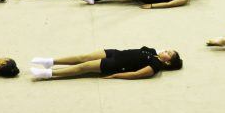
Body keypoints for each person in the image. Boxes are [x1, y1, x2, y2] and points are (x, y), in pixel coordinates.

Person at [30, 43, 181, 77]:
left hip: (116, 64)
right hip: (114, 53)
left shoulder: (155, 66)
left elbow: (135, 74)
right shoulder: (154, 52)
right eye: (168, 49)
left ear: (167, 62)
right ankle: (50, 61)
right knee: (83, 57)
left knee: (85, 66)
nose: (166, 50)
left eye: (169, 53)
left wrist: (115, 75)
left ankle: (49, 73)